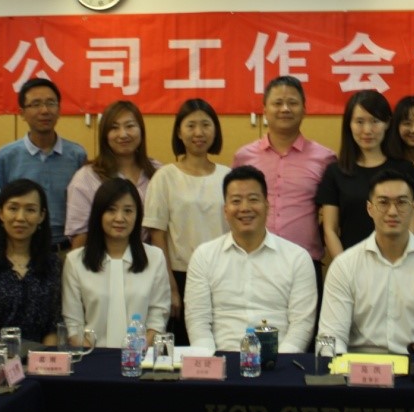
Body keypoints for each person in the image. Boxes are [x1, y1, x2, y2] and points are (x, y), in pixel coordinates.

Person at [317, 171, 414, 355]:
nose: (392, 211)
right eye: (383, 202)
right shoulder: (344, 266)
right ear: (369, 208)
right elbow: (330, 336)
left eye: (401, 202)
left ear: (413, 208)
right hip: (360, 367)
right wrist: (338, 366)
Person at [184, 166, 318, 353]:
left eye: (253, 199)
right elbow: (198, 320)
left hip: (277, 360)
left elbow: (302, 324)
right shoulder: (204, 256)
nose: (245, 208)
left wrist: (280, 362)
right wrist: (210, 360)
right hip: (221, 358)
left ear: (267, 206)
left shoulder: (297, 258)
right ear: (225, 210)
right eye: (236, 201)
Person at [144, 99, 230, 340]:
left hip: (222, 275)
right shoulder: (164, 177)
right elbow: (157, 236)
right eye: (190, 125)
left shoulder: (228, 176)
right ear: (179, 133)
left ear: (215, 130)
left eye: (206, 125)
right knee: (184, 348)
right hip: (180, 275)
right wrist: (170, 286)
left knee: (221, 342)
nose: (199, 132)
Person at [232, 76, 336, 264]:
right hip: (252, 259)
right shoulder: (244, 157)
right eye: (278, 103)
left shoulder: (325, 158)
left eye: (292, 103)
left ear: (304, 110)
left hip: (304, 261)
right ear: (265, 110)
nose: (285, 109)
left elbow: (333, 216)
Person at [63, 178, 170, 348]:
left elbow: (157, 318)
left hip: (140, 355)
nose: (120, 218)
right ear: (98, 214)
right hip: (91, 355)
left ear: (137, 215)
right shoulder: (75, 261)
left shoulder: (155, 258)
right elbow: (73, 324)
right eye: (111, 210)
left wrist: (135, 353)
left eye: (128, 211)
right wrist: (92, 356)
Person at [317, 90, 414, 263]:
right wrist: (345, 268)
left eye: (375, 121)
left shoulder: (405, 169)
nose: (367, 130)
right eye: (359, 122)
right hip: (352, 265)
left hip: (398, 263)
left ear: (387, 123)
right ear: (349, 124)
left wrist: (399, 262)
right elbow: (330, 230)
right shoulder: (335, 172)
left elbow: (411, 225)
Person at [0, 78, 87, 250]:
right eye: (36, 104)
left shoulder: (77, 155)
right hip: (21, 249)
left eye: (51, 103)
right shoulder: (6, 156)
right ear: (22, 113)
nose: (44, 110)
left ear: (59, 109)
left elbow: (85, 208)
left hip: (65, 248)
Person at [0, 179, 61, 344]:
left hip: (40, 356)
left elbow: (53, 327)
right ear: (0, 213)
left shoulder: (53, 264)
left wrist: (43, 357)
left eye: (30, 210)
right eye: (13, 208)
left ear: (41, 216)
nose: (20, 218)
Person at [65, 99, 161, 250]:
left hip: (148, 260)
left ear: (141, 130)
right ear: (104, 134)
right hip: (102, 259)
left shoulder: (158, 172)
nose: (123, 134)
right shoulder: (86, 178)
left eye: (130, 126)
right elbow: (80, 238)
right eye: (114, 128)